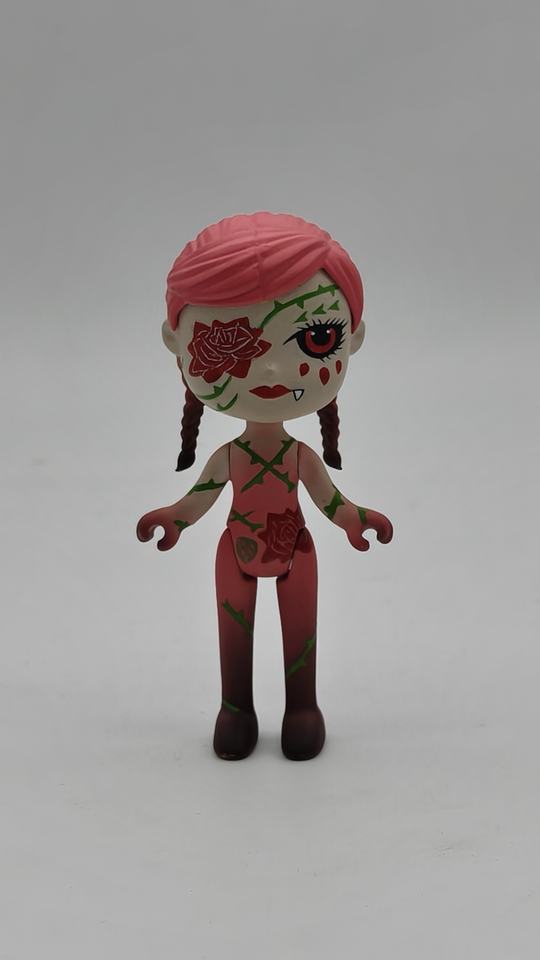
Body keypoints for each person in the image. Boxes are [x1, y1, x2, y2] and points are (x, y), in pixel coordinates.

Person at [137, 211, 393, 761]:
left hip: (296, 549)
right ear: (175, 344)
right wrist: (172, 519)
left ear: (353, 339)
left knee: (301, 635)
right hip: (236, 550)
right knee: (235, 636)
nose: (272, 368)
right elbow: (200, 498)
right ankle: (235, 709)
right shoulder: (231, 458)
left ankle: (302, 708)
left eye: (316, 338)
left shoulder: (297, 457)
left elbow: (328, 499)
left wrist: (355, 519)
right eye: (232, 343)